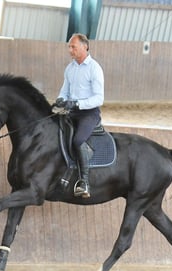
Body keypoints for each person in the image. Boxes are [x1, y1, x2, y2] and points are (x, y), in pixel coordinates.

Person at [52, 33, 104, 198]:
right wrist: (61, 99)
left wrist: (77, 103)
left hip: (89, 114)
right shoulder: (70, 68)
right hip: (72, 112)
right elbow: (65, 90)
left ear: (85, 47)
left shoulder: (94, 68)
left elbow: (99, 98)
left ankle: (84, 182)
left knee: (77, 140)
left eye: (73, 46)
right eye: (69, 46)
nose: (70, 50)